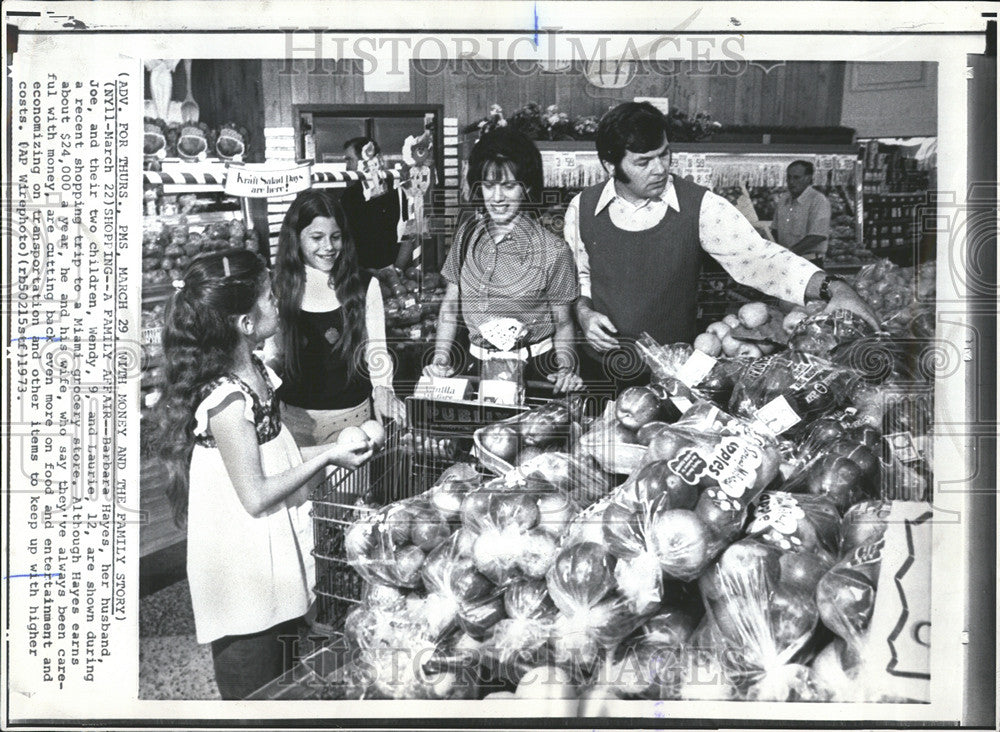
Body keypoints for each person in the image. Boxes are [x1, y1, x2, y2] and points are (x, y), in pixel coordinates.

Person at [143, 249, 373, 699]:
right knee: (253, 685)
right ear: (245, 324)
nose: (278, 301)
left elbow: (274, 455)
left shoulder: (258, 374)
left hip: (269, 552)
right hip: (242, 567)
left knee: (282, 674)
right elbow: (255, 493)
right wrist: (327, 458)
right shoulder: (227, 399)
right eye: (269, 296)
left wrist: (334, 447)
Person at [563, 102, 877, 391]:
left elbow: (762, 260)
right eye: (643, 162)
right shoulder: (583, 207)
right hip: (599, 366)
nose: (659, 169)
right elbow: (582, 275)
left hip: (677, 371)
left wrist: (834, 288)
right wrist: (584, 312)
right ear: (609, 165)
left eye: (664, 154)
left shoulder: (701, 206)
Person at [423, 127, 583, 393]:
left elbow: (564, 323)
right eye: (488, 186)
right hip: (474, 367)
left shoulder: (553, 250)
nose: (497, 198)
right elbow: (449, 308)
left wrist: (566, 370)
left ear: (527, 187)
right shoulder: (466, 238)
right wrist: (440, 360)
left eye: (509, 186)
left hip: (535, 372)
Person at [268, 189, 406, 448]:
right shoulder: (278, 289)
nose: (328, 247)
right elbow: (273, 355)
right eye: (317, 238)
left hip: (353, 420)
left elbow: (376, 349)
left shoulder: (366, 286)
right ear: (296, 239)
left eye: (335, 237)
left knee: (351, 489)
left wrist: (383, 390)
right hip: (295, 423)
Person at [341, 137, 410, 271]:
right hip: (361, 273)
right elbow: (346, 240)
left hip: (396, 272)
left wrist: (397, 271)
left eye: (350, 160)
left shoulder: (398, 190)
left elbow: (409, 235)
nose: (347, 166)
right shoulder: (348, 196)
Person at [773, 160, 832, 266]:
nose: (791, 182)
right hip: (786, 261)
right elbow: (775, 230)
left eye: (796, 177)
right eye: (789, 177)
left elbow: (817, 235)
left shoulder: (818, 200)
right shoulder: (784, 199)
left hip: (809, 262)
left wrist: (788, 254)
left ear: (808, 178)